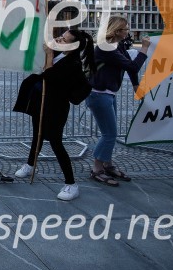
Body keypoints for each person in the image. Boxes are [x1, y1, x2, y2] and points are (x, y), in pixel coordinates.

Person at [12, 28, 95, 200]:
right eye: (61, 37)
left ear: (73, 45)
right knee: (37, 135)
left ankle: (71, 184)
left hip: (56, 108)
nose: (59, 39)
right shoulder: (61, 55)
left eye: (64, 39)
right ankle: (30, 164)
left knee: (56, 143)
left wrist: (49, 54)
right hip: (41, 103)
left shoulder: (73, 63)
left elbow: (50, 76)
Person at [86, 16, 150, 186]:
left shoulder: (118, 45)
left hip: (108, 93)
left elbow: (129, 65)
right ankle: (97, 168)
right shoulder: (106, 48)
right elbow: (133, 66)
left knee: (109, 133)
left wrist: (136, 85)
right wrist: (144, 49)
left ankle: (107, 164)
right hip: (98, 95)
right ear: (116, 31)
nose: (128, 32)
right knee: (110, 134)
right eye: (125, 29)